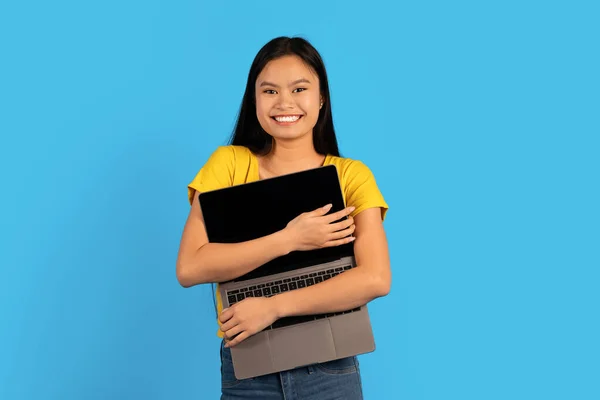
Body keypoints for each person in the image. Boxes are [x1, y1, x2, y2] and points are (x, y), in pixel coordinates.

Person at [176, 36, 391, 400]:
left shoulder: (352, 176)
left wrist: (273, 307)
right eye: (270, 91)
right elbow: (190, 267)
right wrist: (291, 239)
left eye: (299, 88)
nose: (284, 103)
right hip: (248, 366)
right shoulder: (227, 165)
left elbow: (375, 278)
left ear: (321, 97)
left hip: (329, 366)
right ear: (254, 100)